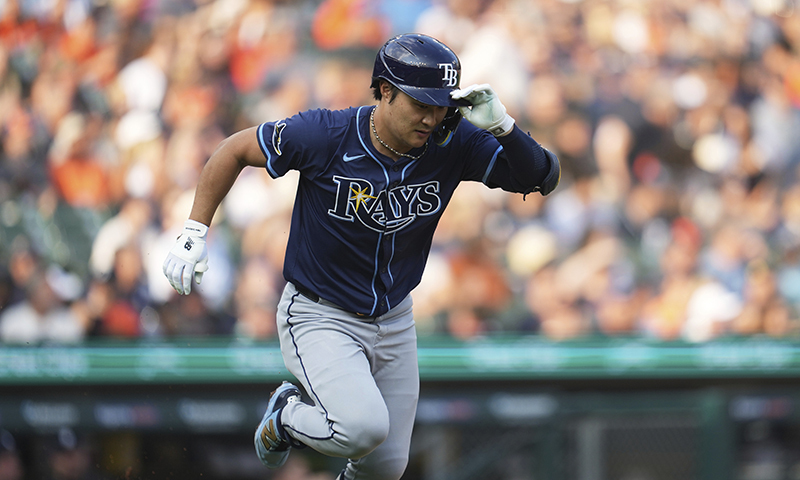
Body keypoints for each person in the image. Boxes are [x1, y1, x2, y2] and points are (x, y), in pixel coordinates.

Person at [163, 33, 560, 480]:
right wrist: (195, 230)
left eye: (440, 106)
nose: (431, 118)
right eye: (420, 104)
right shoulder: (327, 134)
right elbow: (234, 149)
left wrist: (503, 127)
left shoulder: (452, 142)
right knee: (361, 428)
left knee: (385, 467)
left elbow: (541, 177)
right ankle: (286, 416)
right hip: (320, 313)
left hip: (394, 316)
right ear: (385, 90)